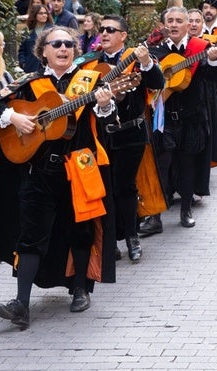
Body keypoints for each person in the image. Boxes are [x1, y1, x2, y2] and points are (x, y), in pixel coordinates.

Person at [0, 26, 116, 328]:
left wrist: (104, 104)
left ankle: (81, 290)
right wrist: (14, 117)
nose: (63, 48)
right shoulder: (29, 83)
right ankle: (21, 304)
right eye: (56, 44)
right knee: (30, 235)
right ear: (42, 50)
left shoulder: (92, 80)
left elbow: (109, 118)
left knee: (81, 230)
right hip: (39, 173)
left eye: (69, 44)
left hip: (80, 168)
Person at [80, 15, 164, 262]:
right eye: (101, 29)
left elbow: (157, 83)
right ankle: (109, 241)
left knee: (124, 186)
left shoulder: (136, 60)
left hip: (131, 132)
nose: (104, 33)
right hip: (98, 135)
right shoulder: (89, 62)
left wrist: (147, 61)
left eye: (110, 30)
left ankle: (131, 237)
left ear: (123, 35)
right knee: (104, 188)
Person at [149, 7, 217, 228]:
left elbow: (213, 77)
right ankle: (156, 215)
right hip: (164, 119)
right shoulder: (157, 51)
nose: (173, 24)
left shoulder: (199, 48)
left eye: (178, 21)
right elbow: (150, 83)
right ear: (164, 24)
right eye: (169, 20)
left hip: (192, 117)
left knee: (187, 164)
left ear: (187, 25)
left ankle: (186, 210)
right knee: (162, 165)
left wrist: (215, 60)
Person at [19, 4, 54, 73]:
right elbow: (22, 50)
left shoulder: (52, 30)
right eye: (41, 13)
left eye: (45, 13)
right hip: (30, 67)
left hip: (48, 68)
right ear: (35, 15)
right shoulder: (27, 31)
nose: (44, 15)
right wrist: (23, 63)